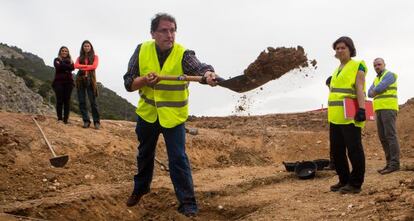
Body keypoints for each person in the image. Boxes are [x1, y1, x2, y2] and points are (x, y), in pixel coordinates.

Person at [123, 13, 217, 216]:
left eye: (173, 30)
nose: (170, 35)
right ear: (153, 34)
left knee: (178, 159)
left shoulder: (183, 54)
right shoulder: (142, 50)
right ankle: (140, 189)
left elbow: (199, 67)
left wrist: (208, 73)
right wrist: (144, 81)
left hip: (173, 117)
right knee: (144, 155)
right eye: (164, 30)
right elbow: (128, 83)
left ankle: (188, 204)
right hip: (148, 115)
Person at [327, 36, 367, 194]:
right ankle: (344, 180)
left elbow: (359, 87)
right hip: (335, 117)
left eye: (343, 47)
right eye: (337, 48)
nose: (340, 50)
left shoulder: (358, 65)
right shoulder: (337, 69)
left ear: (350, 49)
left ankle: (355, 183)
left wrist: (362, 109)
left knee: (354, 150)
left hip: (351, 115)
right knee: (337, 151)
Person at [368, 58, 400, 174]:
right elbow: (369, 93)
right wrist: (375, 90)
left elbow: (378, 89)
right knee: (383, 137)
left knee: (390, 136)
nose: (377, 67)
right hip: (379, 110)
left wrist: (376, 90)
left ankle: (395, 163)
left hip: (388, 108)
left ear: (384, 64)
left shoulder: (389, 75)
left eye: (379, 64)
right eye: (375, 65)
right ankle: (388, 163)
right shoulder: (377, 78)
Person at [74, 40, 100, 129]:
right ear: (82, 47)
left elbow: (94, 66)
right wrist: (87, 67)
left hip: (90, 80)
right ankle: (86, 121)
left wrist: (83, 66)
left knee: (93, 102)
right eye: (85, 46)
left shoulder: (95, 57)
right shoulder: (79, 57)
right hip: (80, 80)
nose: (86, 47)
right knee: (82, 101)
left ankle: (96, 122)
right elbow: (75, 65)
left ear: (91, 47)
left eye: (88, 46)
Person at [52, 46, 74, 124]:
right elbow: (58, 67)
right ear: (60, 52)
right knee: (59, 100)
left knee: (67, 101)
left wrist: (62, 65)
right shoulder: (56, 60)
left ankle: (66, 120)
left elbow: (72, 67)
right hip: (58, 83)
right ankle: (60, 119)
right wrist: (67, 67)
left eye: (66, 51)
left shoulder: (71, 61)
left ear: (68, 53)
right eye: (63, 51)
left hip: (69, 83)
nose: (64, 52)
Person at [325, 76, 335, 170]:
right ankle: (333, 164)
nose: (329, 88)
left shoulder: (339, 94)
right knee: (334, 143)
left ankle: (335, 164)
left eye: (329, 86)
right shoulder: (332, 95)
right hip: (333, 121)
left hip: (340, 121)